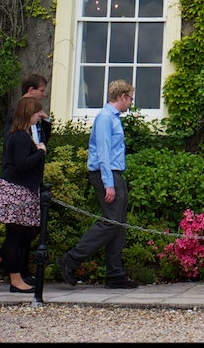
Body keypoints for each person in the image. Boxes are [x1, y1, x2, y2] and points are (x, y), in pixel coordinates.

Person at [58, 79, 136, 289]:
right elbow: (103, 152)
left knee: (118, 224)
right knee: (111, 222)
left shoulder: (112, 118)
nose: (130, 102)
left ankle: (115, 275)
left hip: (114, 173)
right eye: (129, 98)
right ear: (122, 97)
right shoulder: (105, 118)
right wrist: (108, 183)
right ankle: (71, 259)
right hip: (107, 174)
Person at [0, 95, 48, 292]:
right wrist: (40, 152)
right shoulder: (20, 136)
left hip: (22, 190)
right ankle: (15, 279)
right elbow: (21, 164)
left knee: (28, 232)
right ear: (28, 113)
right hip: (15, 191)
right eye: (37, 111)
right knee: (15, 235)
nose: (39, 115)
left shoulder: (22, 134)